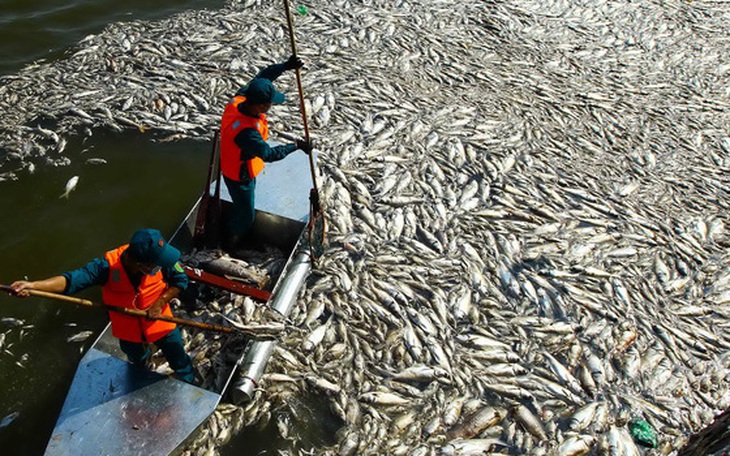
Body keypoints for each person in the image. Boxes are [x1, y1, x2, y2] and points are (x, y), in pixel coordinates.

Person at [9, 228, 195, 384]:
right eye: (154, 265)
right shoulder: (105, 268)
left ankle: (188, 379)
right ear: (140, 264)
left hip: (159, 320)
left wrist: (160, 302)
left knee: (177, 353)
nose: (160, 266)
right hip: (127, 328)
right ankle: (143, 366)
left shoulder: (162, 261)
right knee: (136, 359)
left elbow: (180, 280)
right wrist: (33, 286)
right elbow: (70, 281)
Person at [220, 55, 313, 249]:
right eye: (269, 103)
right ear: (260, 105)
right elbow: (270, 154)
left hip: (231, 163)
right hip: (240, 176)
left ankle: (233, 231)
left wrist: (285, 66)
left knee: (243, 206)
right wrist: (296, 146)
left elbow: (264, 76)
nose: (271, 106)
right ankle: (231, 241)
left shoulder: (242, 97)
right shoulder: (246, 133)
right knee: (246, 214)